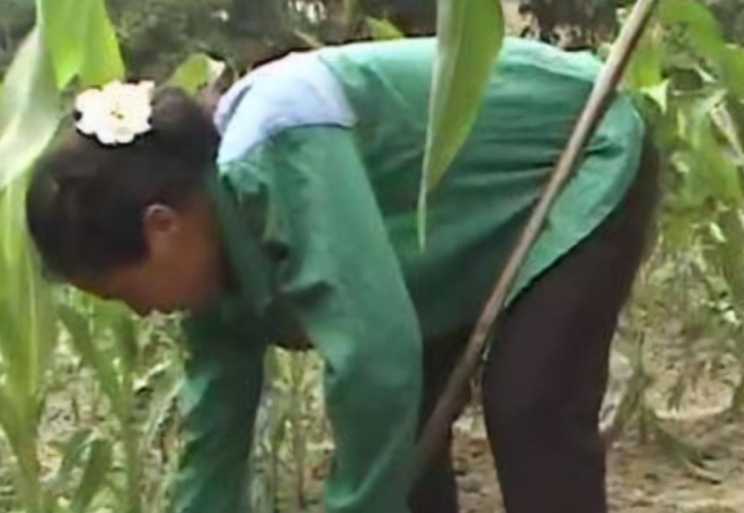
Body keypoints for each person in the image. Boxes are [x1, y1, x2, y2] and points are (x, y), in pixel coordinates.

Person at [26, 37, 658, 513]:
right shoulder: (210, 262)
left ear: (162, 227)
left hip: (574, 152)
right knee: (406, 436)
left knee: (529, 406)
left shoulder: (278, 149)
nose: (140, 312)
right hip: (455, 230)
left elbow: (376, 361)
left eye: (125, 292)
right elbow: (214, 437)